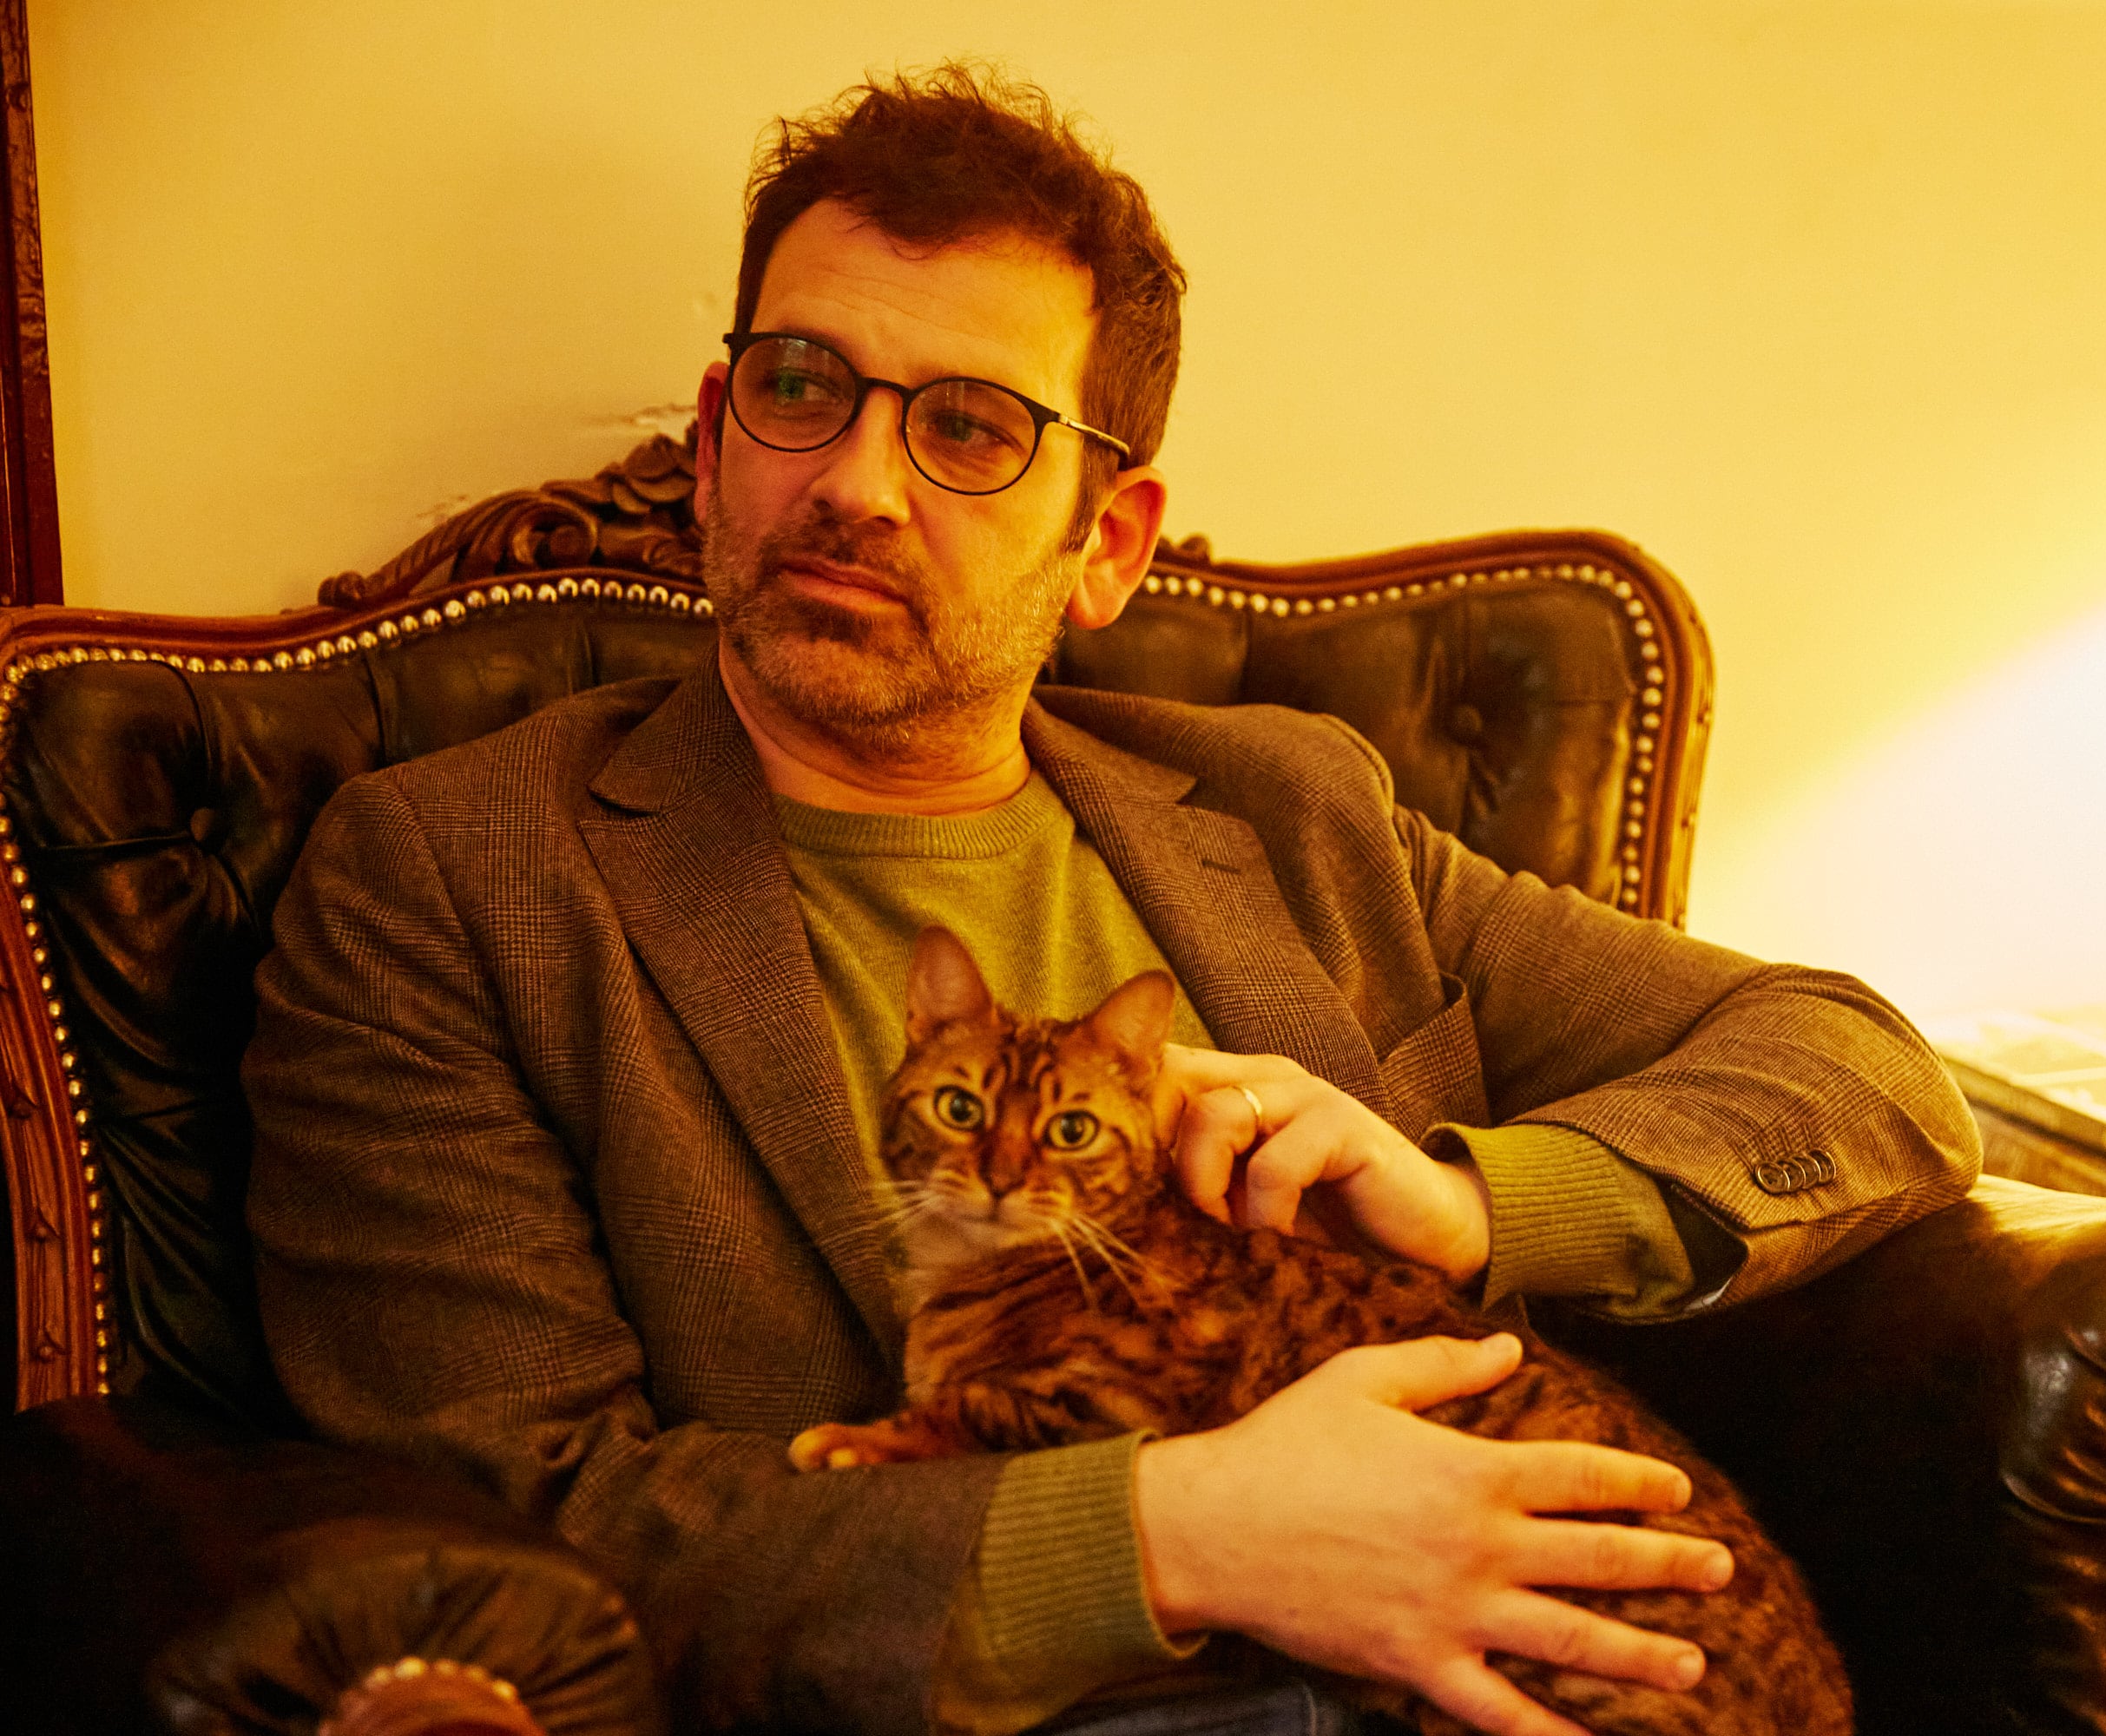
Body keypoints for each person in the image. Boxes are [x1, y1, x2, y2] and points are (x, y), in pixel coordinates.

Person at [243, 65, 1980, 1736]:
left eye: (969, 429)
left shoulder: (1299, 812)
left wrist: (1469, 1205)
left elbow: (1865, 1072)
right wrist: (1178, 1539)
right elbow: (514, 1513)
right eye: (801, 385)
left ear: (1111, 543)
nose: (855, 484)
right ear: (713, 442)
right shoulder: (454, 877)